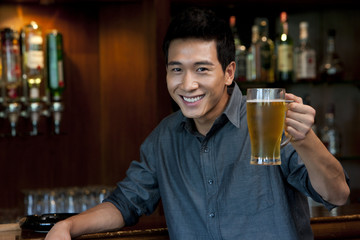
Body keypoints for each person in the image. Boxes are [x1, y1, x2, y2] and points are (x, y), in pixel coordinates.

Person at [45, 7, 350, 240]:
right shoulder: (163, 138)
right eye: (176, 69)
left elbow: (337, 194)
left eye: (202, 69)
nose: (187, 84)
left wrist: (304, 137)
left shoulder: (269, 121)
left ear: (229, 72)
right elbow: (125, 204)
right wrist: (68, 225)